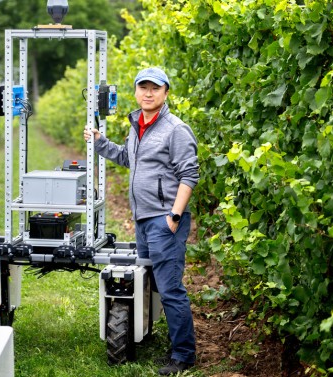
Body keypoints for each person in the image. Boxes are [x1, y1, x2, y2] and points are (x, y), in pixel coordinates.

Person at [84, 67, 199, 375]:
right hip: (143, 219)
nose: (148, 93)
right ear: (135, 92)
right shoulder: (137, 126)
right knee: (151, 283)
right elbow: (128, 159)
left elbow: (189, 175)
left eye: (155, 88)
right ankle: (156, 336)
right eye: (143, 87)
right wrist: (100, 142)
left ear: (166, 93)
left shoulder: (176, 129)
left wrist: (173, 216)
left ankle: (184, 356)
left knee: (170, 287)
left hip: (164, 221)